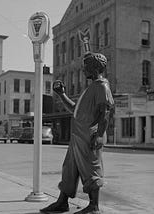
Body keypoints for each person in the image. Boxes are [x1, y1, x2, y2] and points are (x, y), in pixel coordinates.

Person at [40, 52, 114, 214]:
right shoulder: (92, 88)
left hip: (90, 135)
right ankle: (62, 202)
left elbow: (106, 112)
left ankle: (94, 206)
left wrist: (99, 134)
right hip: (78, 137)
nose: (83, 69)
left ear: (95, 67)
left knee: (91, 169)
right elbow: (75, 110)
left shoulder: (102, 86)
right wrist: (62, 94)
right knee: (69, 168)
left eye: (85, 66)